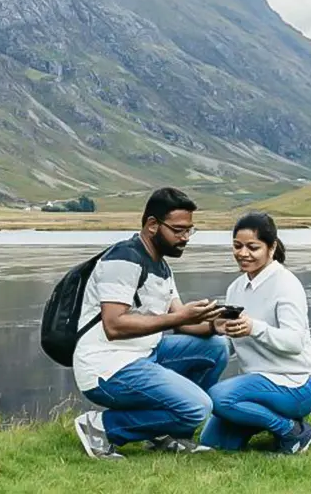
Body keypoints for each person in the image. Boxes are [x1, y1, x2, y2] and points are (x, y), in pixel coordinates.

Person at [72, 187, 230, 459]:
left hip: (146, 355)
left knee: (217, 348)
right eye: (179, 230)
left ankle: (169, 434)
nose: (185, 238)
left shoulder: (161, 266)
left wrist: (215, 324)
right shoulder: (123, 258)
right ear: (152, 225)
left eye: (190, 230)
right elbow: (114, 326)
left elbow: (181, 323)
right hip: (107, 367)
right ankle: (101, 427)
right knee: (198, 407)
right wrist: (181, 317)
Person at [198, 211, 311, 455]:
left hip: (296, 383)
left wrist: (254, 328)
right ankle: (267, 419)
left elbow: (295, 342)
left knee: (219, 398)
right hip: (259, 386)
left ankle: (292, 431)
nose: (243, 254)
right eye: (237, 246)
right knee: (213, 444)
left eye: (252, 247)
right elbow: (234, 343)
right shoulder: (235, 288)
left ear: (272, 247)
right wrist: (221, 332)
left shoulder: (286, 284)